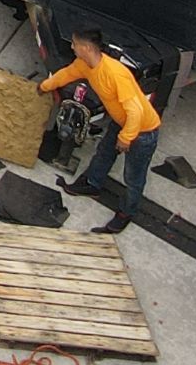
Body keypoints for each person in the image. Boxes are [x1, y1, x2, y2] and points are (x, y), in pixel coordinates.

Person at [44, 27, 161, 234]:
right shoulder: (85, 64)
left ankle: (127, 212)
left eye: (75, 44)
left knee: (133, 176)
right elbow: (67, 74)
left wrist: (126, 138)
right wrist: (46, 86)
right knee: (105, 153)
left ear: (87, 47)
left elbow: (135, 110)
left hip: (142, 130)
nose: (72, 47)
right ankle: (92, 184)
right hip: (120, 120)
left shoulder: (115, 73)